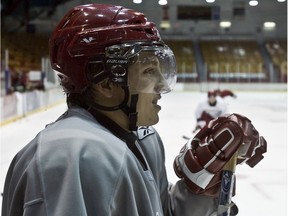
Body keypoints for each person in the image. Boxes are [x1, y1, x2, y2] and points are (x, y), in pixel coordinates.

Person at [1, 4, 267, 216]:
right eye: (149, 71)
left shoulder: (144, 138)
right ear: (105, 82)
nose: (162, 85)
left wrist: (200, 190)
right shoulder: (74, 156)